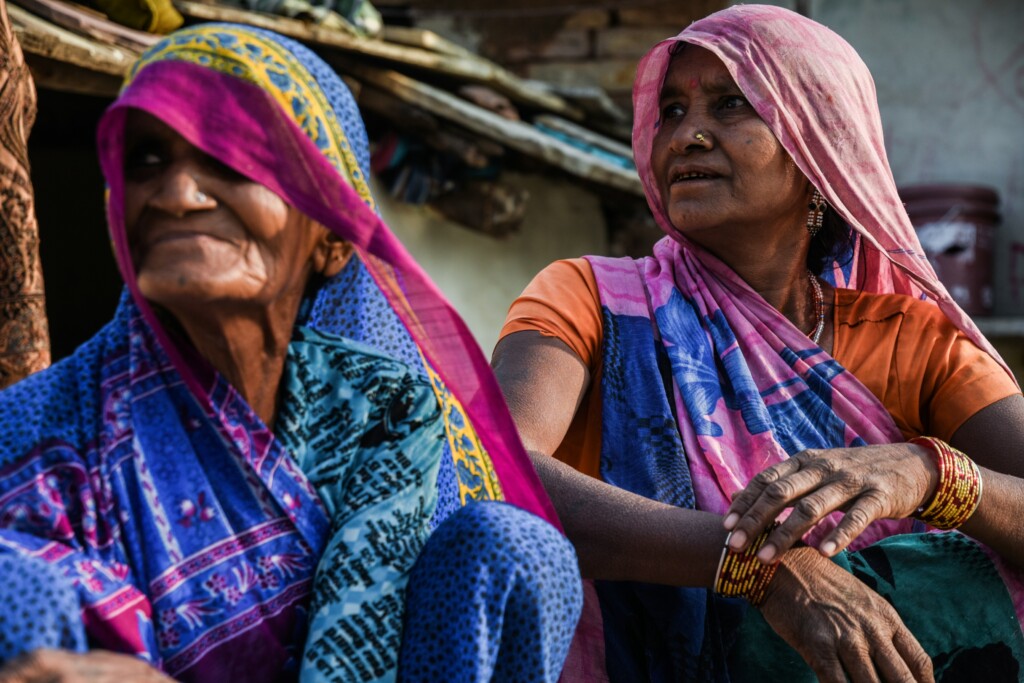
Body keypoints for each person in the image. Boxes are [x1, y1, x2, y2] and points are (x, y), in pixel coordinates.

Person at [0, 22, 582, 683]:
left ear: (331, 240)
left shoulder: (385, 411)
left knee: (517, 547)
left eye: (232, 156)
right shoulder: (40, 434)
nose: (175, 195)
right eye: (147, 160)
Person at [493, 5, 1024, 682]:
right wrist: (764, 569)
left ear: (819, 148)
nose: (687, 136)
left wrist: (927, 473)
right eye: (673, 112)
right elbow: (500, 466)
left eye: (731, 104)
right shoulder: (588, 300)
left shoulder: (915, 345)